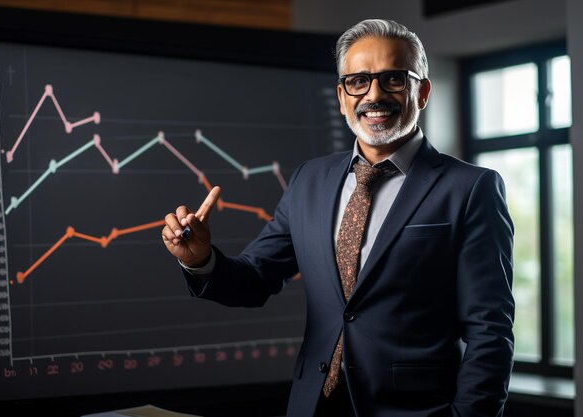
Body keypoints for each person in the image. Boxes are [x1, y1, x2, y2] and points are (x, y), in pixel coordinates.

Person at [162, 19, 514, 417]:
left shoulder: (471, 188)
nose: (374, 95)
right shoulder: (310, 178)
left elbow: (490, 329)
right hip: (313, 405)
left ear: (424, 91)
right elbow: (255, 279)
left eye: (394, 79)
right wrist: (200, 261)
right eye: (358, 81)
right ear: (342, 96)